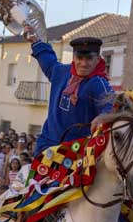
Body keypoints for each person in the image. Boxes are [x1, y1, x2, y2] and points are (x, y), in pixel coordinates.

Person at [24, 27, 113, 156]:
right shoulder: (61, 72)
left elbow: (110, 107)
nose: (83, 63)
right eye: (79, 58)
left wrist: (102, 118)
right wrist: (34, 41)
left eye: (89, 59)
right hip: (46, 147)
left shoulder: (98, 83)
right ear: (73, 58)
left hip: (75, 154)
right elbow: (47, 60)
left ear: (97, 60)